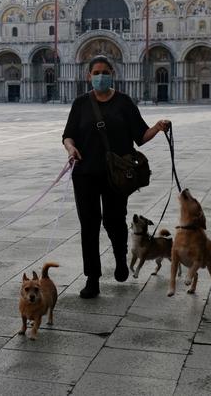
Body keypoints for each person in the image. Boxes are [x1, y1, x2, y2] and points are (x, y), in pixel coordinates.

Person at [62, 56, 171, 299]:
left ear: (113, 74)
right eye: (96, 72)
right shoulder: (80, 103)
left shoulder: (124, 102)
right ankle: (92, 278)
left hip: (117, 176)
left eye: (105, 72)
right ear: (88, 76)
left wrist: (158, 126)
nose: (101, 76)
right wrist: (71, 148)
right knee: (88, 226)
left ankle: (121, 260)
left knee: (114, 221)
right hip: (85, 173)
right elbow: (68, 135)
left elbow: (141, 136)